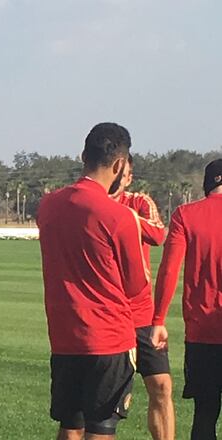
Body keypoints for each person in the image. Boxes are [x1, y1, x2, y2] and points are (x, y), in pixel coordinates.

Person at [37, 122, 149, 440]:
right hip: (108, 339)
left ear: (83, 156)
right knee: (101, 428)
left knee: (70, 426)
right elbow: (135, 284)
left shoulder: (48, 206)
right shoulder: (118, 216)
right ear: (119, 165)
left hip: (64, 337)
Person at [151, 159, 222, 440]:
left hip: (202, 333)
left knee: (204, 413)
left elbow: (169, 269)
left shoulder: (186, 215)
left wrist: (158, 319)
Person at [110, 155, 174, 440]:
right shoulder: (92, 205)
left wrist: (129, 218)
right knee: (102, 399)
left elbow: (159, 234)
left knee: (161, 386)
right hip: (109, 316)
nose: (119, 179)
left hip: (143, 315)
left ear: (128, 177)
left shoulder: (138, 203)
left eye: (124, 175)